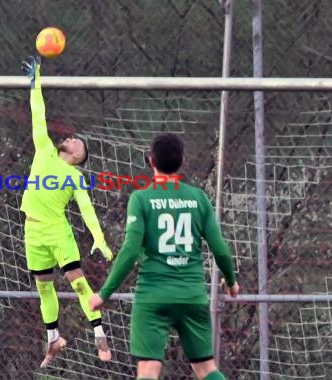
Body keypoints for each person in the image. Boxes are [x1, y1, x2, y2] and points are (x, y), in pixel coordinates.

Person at [89, 133, 240, 380]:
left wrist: (103, 294)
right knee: (206, 369)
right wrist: (231, 281)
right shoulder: (198, 197)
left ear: (151, 161)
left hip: (153, 296)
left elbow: (129, 250)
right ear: (182, 159)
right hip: (192, 295)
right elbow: (220, 248)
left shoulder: (141, 198)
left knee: (148, 370)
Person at [19, 56, 114, 368]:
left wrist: (99, 239)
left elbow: (86, 211)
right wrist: (35, 82)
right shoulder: (45, 149)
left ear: (77, 157)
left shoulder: (75, 177)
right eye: (73, 138)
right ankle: (53, 339)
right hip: (32, 231)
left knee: (76, 281)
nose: (71, 138)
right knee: (43, 286)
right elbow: (38, 114)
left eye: (77, 143)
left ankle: (100, 334)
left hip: (57, 231)